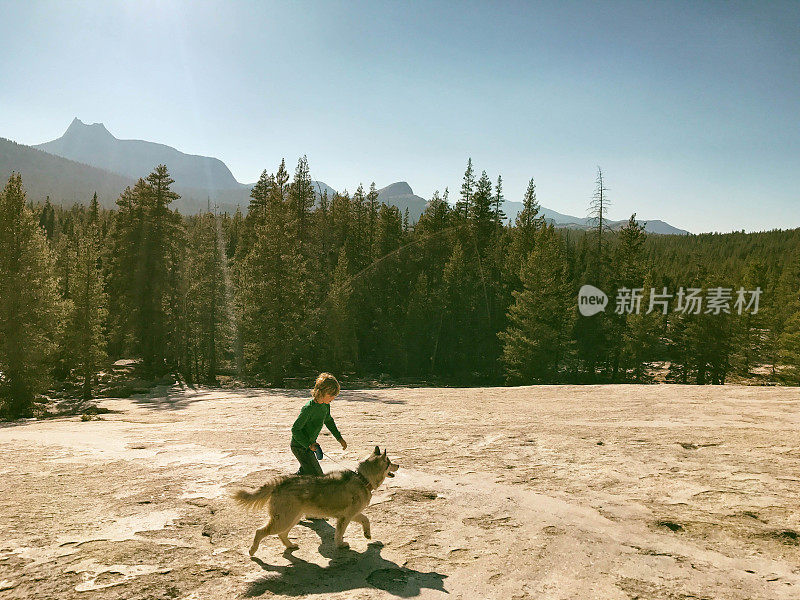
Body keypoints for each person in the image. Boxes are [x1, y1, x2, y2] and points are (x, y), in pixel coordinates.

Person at [291, 373, 348, 475]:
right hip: (299, 446)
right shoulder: (309, 408)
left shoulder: (325, 406)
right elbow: (295, 429)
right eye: (331, 395)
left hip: (309, 446)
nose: (333, 398)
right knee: (317, 475)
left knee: (307, 472)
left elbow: (329, 421)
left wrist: (339, 438)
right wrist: (308, 445)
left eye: (335, 395)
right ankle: (286, 485)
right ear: (321, 392)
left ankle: (289, 484)